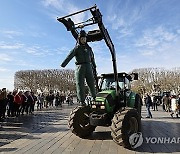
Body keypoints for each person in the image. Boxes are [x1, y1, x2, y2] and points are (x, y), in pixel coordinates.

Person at [61, 30, 96, 106]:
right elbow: (69, 56)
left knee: (91, 83)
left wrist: (94, 66)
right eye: (82, 39)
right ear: (79, 39)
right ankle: (82, 100)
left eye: (84, 39)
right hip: (80, 67)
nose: (83, 40)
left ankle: (94, 97)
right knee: (80, 84)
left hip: (88, 66)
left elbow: (92, 58)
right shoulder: (77, 48)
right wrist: (63, 64)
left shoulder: (89, 49)